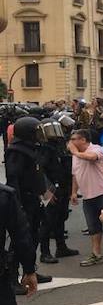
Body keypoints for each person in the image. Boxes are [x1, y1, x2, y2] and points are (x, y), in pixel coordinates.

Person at [5, 117, 51, 292]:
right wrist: (17, 204)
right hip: (23, 200)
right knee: (19, 240)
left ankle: (29, 269)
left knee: (33, 236)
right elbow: (14, 178)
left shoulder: (31, 148)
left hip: (34, 199)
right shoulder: (16, 151)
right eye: (36, 132)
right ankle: (11, 277)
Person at [35, 117, 79, 262]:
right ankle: (45, 253)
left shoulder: (58, 145)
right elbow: (40, 171)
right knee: (47, 222)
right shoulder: (43, 149)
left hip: (62, 187)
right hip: (49, 189)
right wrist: (46, 191)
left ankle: (61, 247)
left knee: (60, 218)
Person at [69, 129, 103, 268]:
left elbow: (92, 157)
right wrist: (74, 192)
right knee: (93, 227)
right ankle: (96, 254)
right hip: (88, 196)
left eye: (74, 139)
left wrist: (75, 152)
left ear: (83, 140)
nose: (71, 142)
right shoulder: (75, 156)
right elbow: (75, 174)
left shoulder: (96, 149)